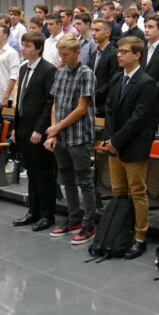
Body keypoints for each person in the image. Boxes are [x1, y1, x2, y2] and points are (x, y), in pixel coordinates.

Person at [102, 37, 156, 259]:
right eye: (118, 51)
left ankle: (140, 236)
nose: (119, 55)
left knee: (137, 192)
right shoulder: (117, 77)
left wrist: (117, 141)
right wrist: (110, 139)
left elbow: (138, 119)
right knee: (118, 191)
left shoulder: (146, 82)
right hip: (115, 145)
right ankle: (121, 230)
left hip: (133, 146)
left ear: (137, 55)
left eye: (124, 51)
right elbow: (109, 110)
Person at [44, 35, 98, 243]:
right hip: (62, 136)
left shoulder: (86, 73)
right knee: (66, 179)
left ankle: (88, 224)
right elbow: (55, 103)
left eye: (66, 54)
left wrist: (57, 127)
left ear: (77, 53)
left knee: (84, 181)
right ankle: (73, 218)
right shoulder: (60, 73)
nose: (62, 57)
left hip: (79, 136)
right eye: (61, 54)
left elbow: (82, 108)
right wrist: (53, 132)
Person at [12, 32, 58, 232]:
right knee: (31, 172)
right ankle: (33, 211)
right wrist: (15, 127)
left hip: (39, 129)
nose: (23, 48)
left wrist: (40, 129)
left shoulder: (48, 70)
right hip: (23, 127)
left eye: (28, 45)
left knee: (44, 173)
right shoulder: (24, 68)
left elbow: (49, 102)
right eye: (22, 45)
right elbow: (20, 100)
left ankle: (47, 215)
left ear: (38, 48)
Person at [89, 19, 119, 117]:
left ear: (107, 33)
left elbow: (113, 80)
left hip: (105, 105)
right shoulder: (94, 54)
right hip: (91, 102)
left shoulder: (114, 54)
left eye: (97, 30)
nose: (93, 33)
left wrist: (95, 97)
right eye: (92, 30)